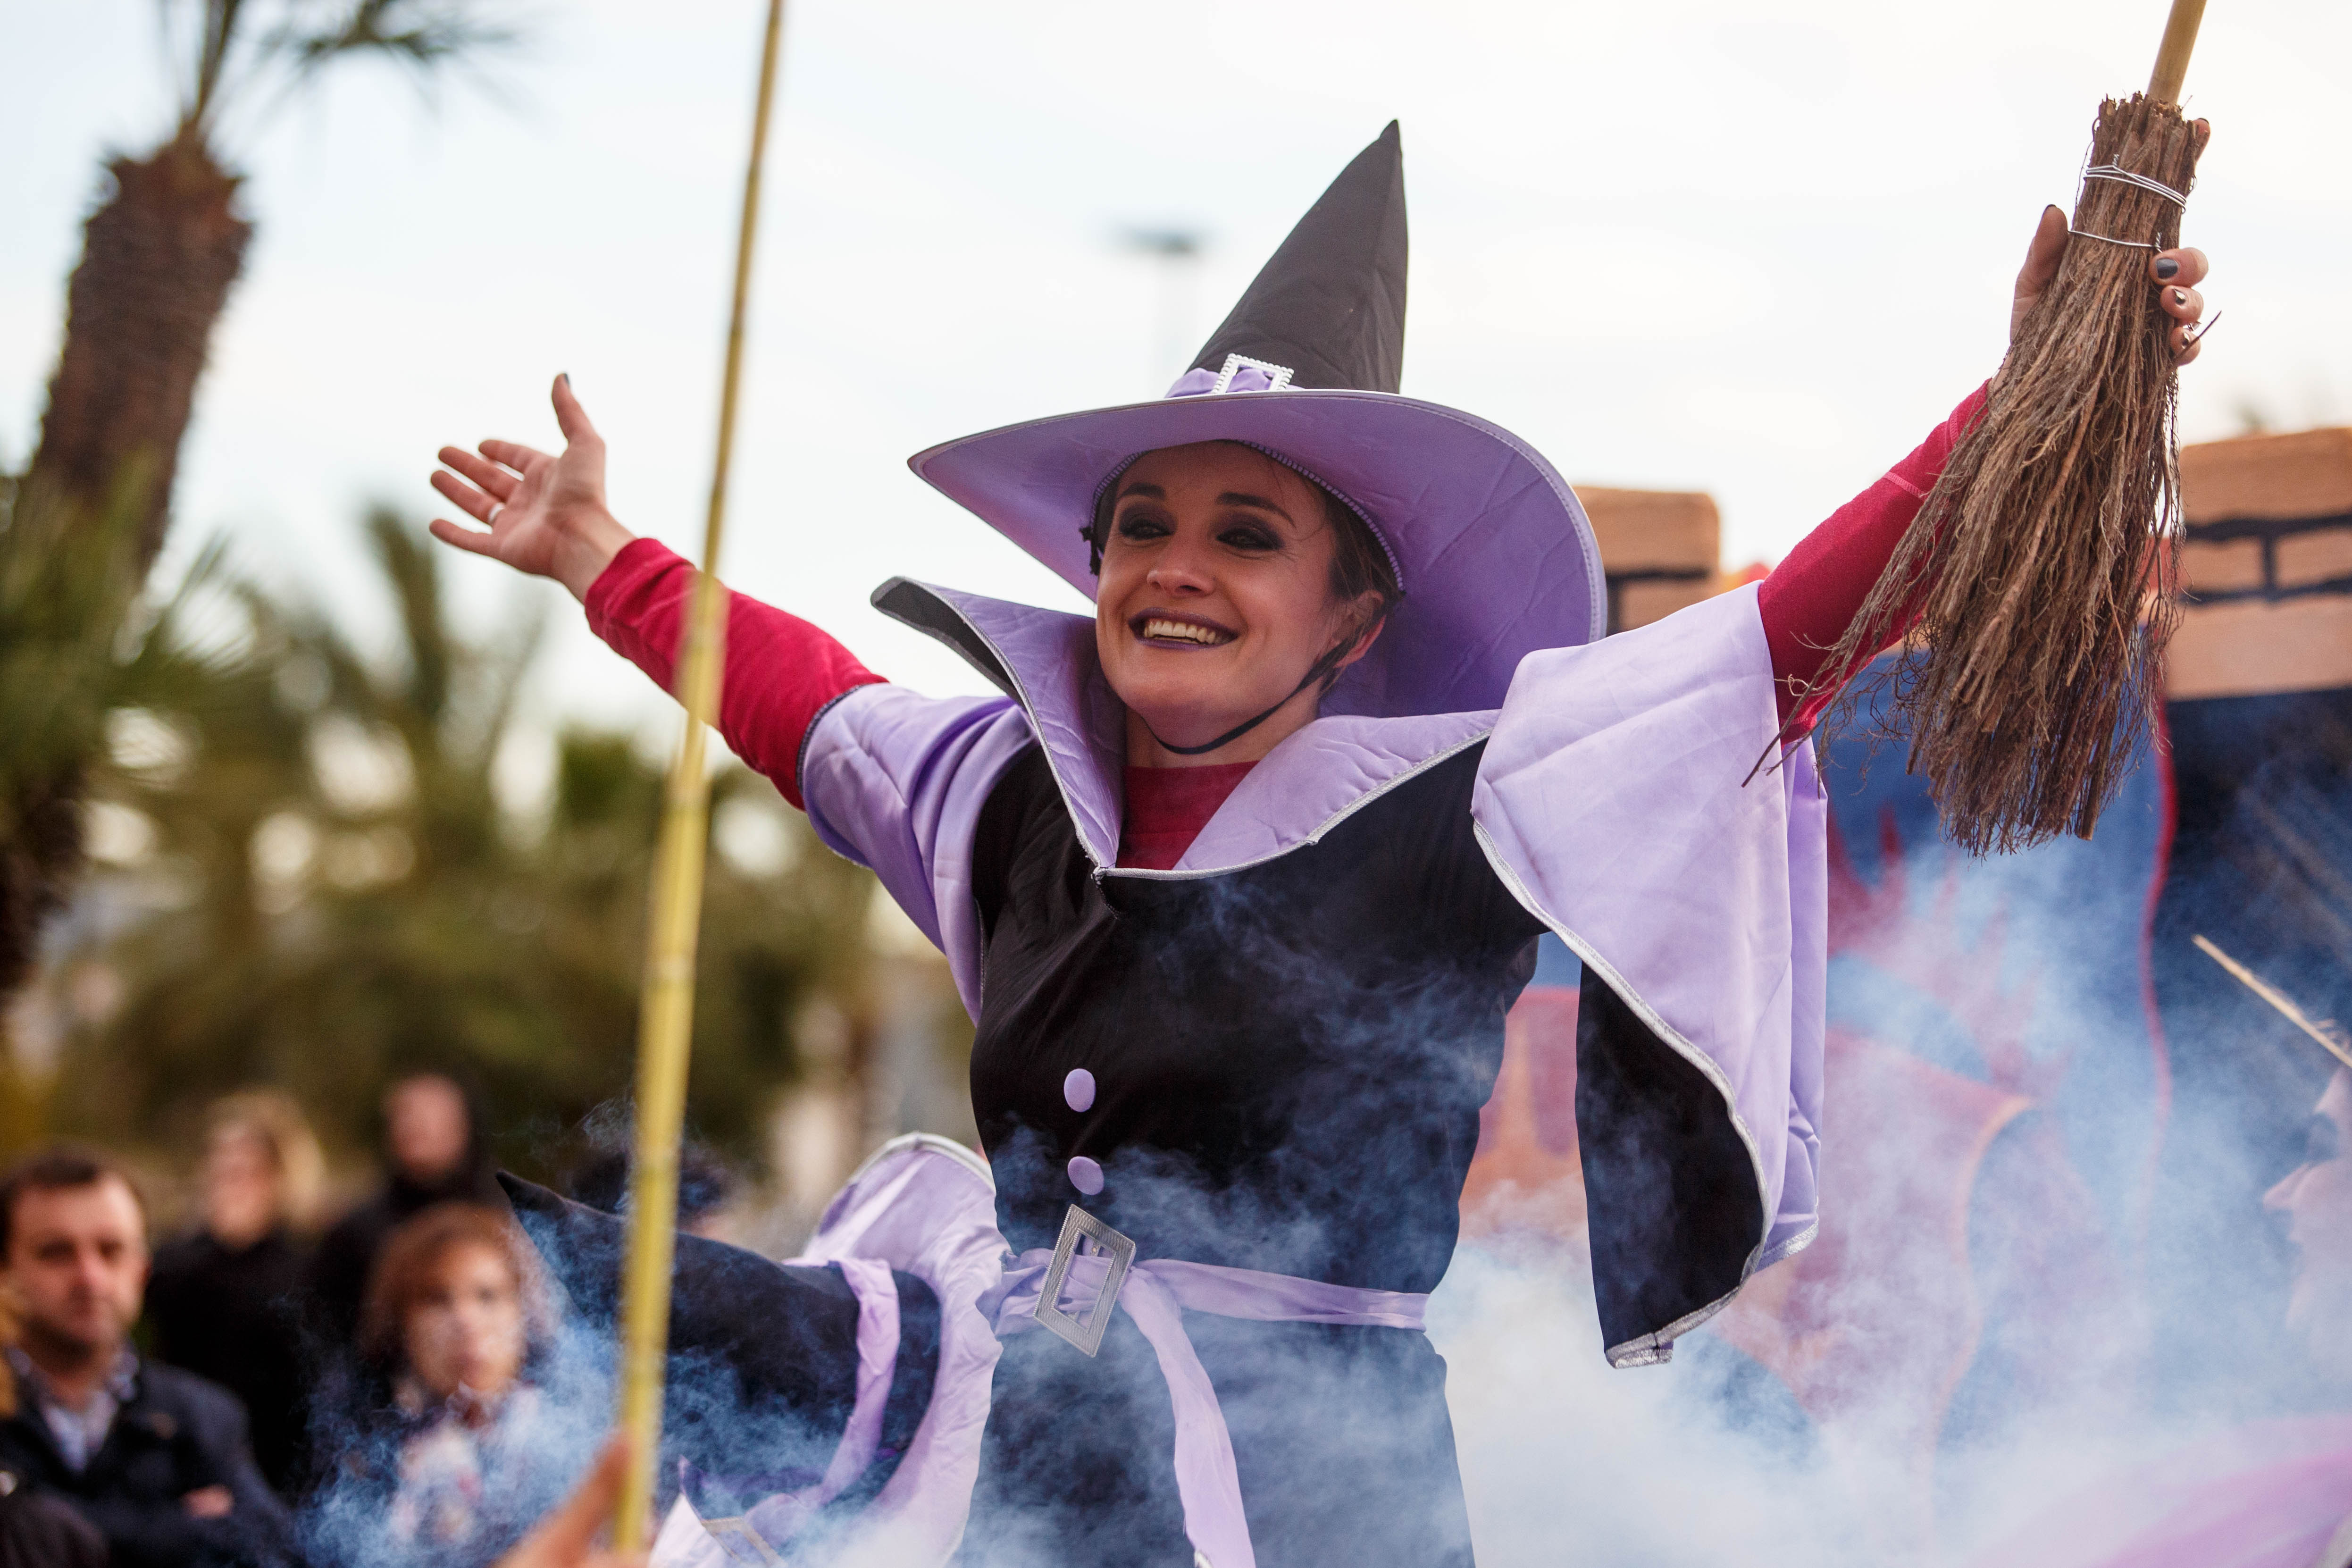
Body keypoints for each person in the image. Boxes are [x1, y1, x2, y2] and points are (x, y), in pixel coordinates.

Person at [428, 125, 2212, 1568]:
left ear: (1355, 619)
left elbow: (1770, 648)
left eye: (1243, 533)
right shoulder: (1004, 798)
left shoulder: (1457, 804)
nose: (1172, 565)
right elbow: (804, 704)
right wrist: (603, 558)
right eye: (1140, 523)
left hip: (1319, 1506)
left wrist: (2020, 399)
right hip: (1035, 1481)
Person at [0, 1145, 300, 1568]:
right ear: (5, 1268)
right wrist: (175, 1531)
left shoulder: (205, 1419)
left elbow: (269, 1548)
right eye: (56, 1252)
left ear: (142, 1267)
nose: (89, 1277)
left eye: (111, 1250)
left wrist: (32, 1517)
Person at [314, 1203, 567, 1568]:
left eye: (488, 1295)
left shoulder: (572, 1441)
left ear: (525, 1313)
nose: (466, 1321)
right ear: (402, 1325)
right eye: (437, 1299)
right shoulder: (359, 1452)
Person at [148, 1090, 325, 1497]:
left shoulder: (305, 1273)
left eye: (244, 1172)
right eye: (219, 1170)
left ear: (279, 1180)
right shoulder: (174, 1265)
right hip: (182, 1471)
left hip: (274, 1477)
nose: (228, 1186)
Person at [310, 1073, 502, 1350]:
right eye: (406, 1116)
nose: (416, 1127)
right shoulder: (353, 1232)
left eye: (431, 1116)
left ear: (463, 1128)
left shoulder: (509, 1217)